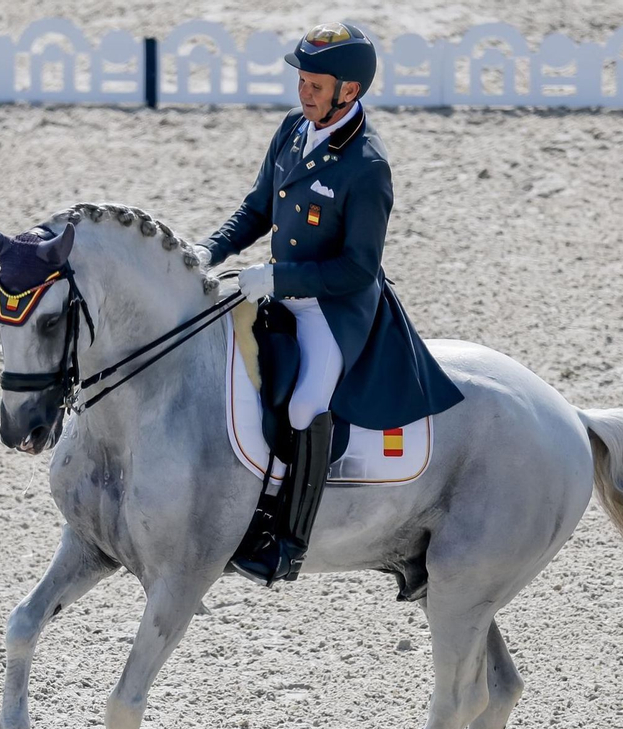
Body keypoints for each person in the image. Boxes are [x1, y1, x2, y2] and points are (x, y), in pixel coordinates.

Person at [196, 22, 464, 586]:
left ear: (350, 90)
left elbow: (357, 269)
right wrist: (210, 247)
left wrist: (278, 277)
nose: (304, 92)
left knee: (303, 404)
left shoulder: (367, 167)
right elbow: (258, 207)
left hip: (332, 310)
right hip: (274, 287)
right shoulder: (294, 129)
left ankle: (288, 537)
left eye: (317, 84)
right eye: (302, 80)